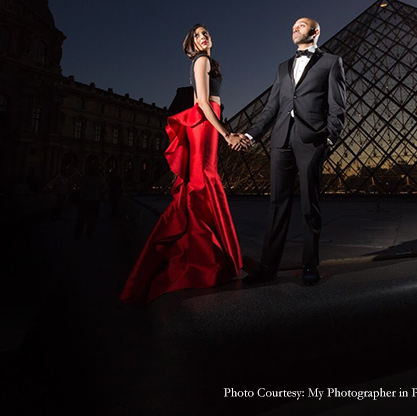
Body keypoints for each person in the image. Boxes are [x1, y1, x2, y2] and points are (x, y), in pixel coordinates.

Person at [120, 24, 244, 304]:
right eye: (198, 34)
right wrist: (225, 133)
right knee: (203, 179)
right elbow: (201, 101)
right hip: (205, 119)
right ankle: (205, 257)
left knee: (203, 179)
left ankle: (207, 253)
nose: (204, 36)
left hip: (209, 118)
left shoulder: (210, 61)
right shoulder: (201, 60)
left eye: (206, 33)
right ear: (191, 43)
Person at [239, 18, 347, 287]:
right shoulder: (282, 67)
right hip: (281, 139)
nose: (294, 28)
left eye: (301, 25)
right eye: (293, 26)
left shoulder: (331, 62)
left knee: (310, 205)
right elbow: (270, 107)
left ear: (316, 31)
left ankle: (310, 264)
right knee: (277, 205)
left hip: (312, 140)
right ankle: (268, 267)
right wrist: (251, 135)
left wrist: (330, 139)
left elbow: (338, 106)